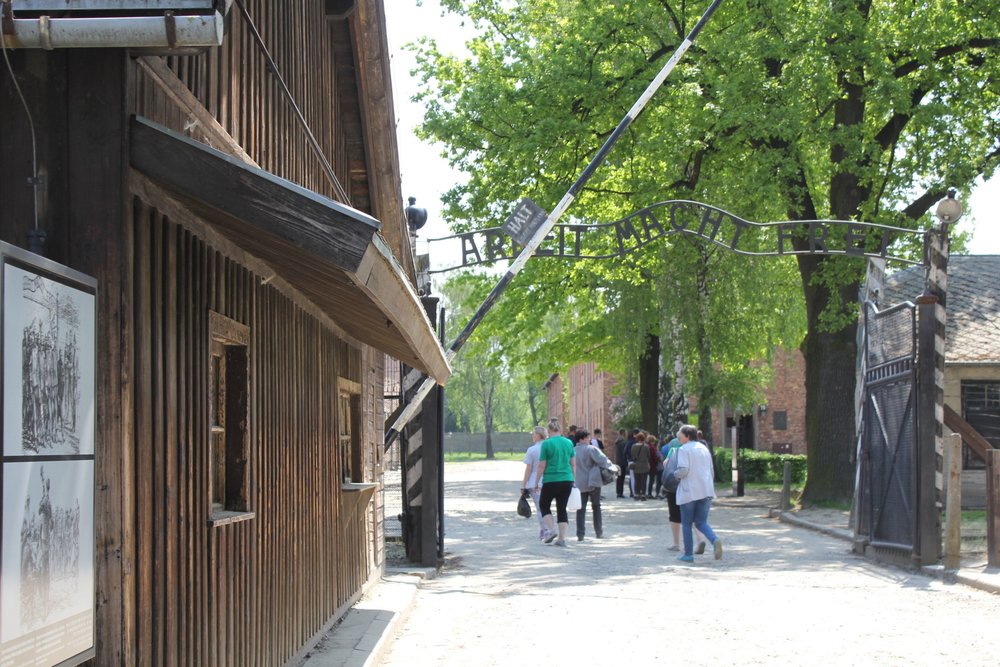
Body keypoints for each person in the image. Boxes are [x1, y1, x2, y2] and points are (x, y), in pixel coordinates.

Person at [675, 424, 722, 563]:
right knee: (701, 522)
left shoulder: (684, 449)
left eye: (681, 434)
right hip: (706, 489)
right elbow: (711, 470)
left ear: (687, 436)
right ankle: (714, 539)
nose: (679, 436)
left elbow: (683, 470)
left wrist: (674, 474)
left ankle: (688, 554)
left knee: (687, 524)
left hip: (689, 491)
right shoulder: (704, 448)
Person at [534, 419, 576, 547]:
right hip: (567, 479)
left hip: (551, 479)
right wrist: (573, 479)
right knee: (562, 508)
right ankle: (562, 538)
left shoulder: (547, 444)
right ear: (560, 430)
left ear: (549, 431)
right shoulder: (569, 442)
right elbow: (573, 463)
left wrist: (536, 482)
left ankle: (552, 530)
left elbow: (542, 465)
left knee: (544, 504)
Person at [573, 429, 615, 540]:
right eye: (587, 437)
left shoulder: (572, 451)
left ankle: (580, 534)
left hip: (579, 482)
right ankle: (598, 532)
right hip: (593, 481)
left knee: (580, 509)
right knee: (596, 507)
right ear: (581, 439)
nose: (589, 439)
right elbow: (603, 460)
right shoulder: (591, 449)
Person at [521, 425, 549, 540]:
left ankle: (545, 529)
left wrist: (524, 485)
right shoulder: (549, 448)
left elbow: (529, 468)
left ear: (538, 435)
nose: (532, 436)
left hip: (534, 482)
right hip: (549, 480)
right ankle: (545, 529)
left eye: (533, 434)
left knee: (540, 508)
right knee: (546, 507)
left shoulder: (532, 450)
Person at [630, 432, 650, 501]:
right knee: (643, 481)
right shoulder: (646, 446)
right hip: (644, 465)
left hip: (636, 466)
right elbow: (648, 456)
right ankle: (643, 495)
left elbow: (632, 455)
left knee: (637, 480)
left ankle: (636, 494)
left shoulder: (633, 446)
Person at [614, 429, 629, 498]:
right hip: (622, 462)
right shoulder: (623, 442)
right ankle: (620, 492)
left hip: (617, 461)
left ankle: (618, 492)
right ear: (623, 433)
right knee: (622, 477)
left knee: (618, 477)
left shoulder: (617, 442)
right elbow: (625, 453)